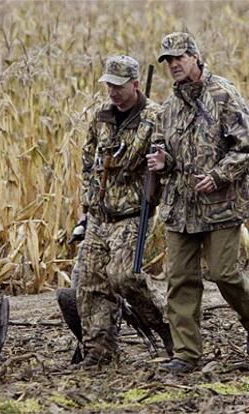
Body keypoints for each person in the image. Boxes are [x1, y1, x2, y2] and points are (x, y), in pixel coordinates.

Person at [147, 32, 249, 374]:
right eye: (167, 61)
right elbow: (166, 150)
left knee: (225, 274)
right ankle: (186, 355)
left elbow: (245, 148)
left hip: (220, 206)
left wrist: (219, 175)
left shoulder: (224, 94)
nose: (173, 65)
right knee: (180, 281)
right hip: (181, 207)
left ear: (195, 57)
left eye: (178, 58)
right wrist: (164, 162)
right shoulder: (169, 107)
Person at [75, 55, 172, 367]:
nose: (113, 92)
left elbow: (165, 160)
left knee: (123, 277)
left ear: (134, 84)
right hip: (99, 214)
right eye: (108, 85)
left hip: (132, 212)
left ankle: (164, 327)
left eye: (118, 86)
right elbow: (88, 164)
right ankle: (99, 350)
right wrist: (87, 209)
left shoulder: (154, 117)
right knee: (90, 283)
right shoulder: (100, 116)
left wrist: (159, 162)